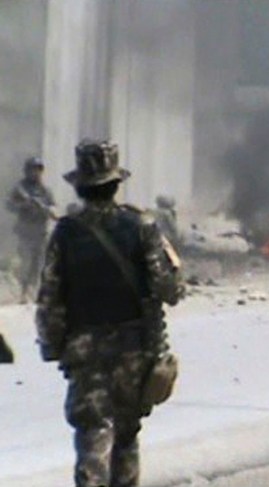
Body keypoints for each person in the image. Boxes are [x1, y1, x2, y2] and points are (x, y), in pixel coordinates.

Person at [35, 139, 185, 487]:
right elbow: (170, 290)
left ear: (81, 186)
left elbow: (50, 300)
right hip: (134, 353)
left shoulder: (66, 233)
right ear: (116, 184)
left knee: (92, 437)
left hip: (85, 353)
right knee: (127, 437)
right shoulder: (141, 227)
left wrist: (53, 345)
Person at [6, 156, 56, 303]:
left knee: (39, 264)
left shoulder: (45, 190)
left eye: (38, 170)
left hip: (40, 232)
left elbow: (53, 207)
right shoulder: (20, 188)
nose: (36, 173)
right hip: (25, 233)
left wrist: (46, 208)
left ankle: (34, 291)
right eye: (33, 170)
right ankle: (22, 292)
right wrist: (24, 205)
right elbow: (9, 205)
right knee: (25, 262)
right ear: (27, 171)